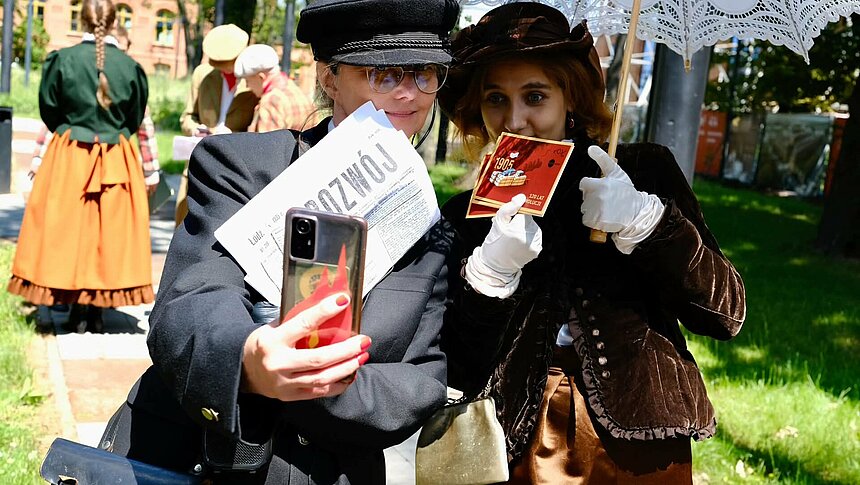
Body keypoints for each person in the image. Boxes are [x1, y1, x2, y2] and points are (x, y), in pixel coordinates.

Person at [101, 0, 461, 483]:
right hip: (199, 458)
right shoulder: (241, 164)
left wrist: (309, 381)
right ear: (330, 78)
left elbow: (419, 380)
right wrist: (248, 360)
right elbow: (192, 299)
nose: (409, 92)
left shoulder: (431, 222)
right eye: (384, 74)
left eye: (424, 73)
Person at [438, 4, 747, 483]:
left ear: (570, 97)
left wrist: (647, 222)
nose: (514, 119)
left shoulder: (639, 171)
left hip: (643, 441)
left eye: (535, 96)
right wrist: (489, 277)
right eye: (496, 98)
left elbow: (722, 313)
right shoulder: (469, 212)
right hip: (519, 441)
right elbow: (457, 365)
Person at [8, 0, 151, 334]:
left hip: (70, 152)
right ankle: (96, 310)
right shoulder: (130, 67)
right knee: (107, 231)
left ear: (83, 21)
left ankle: (75, 308)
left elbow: (50, 109)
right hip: (116, 156)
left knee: (68, 229)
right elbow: (133, 119)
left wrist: (73, 128)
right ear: (114, 23)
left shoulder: (62, 60)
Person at [175, 23, 257, 225]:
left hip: (232, 172)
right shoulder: (202, 75)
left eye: (226, 64)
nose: (222, 69)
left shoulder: (253, 83)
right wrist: (195, 129)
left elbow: (259, 130)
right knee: (184, 229)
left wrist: (231, 135)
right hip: (198, 166)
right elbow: (187, 116)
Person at [233, 43, 315, 132]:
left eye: (247, 80)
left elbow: (266, 140)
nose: (247, 85)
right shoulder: (294, 89)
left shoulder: (271, 101)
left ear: (261, 77)